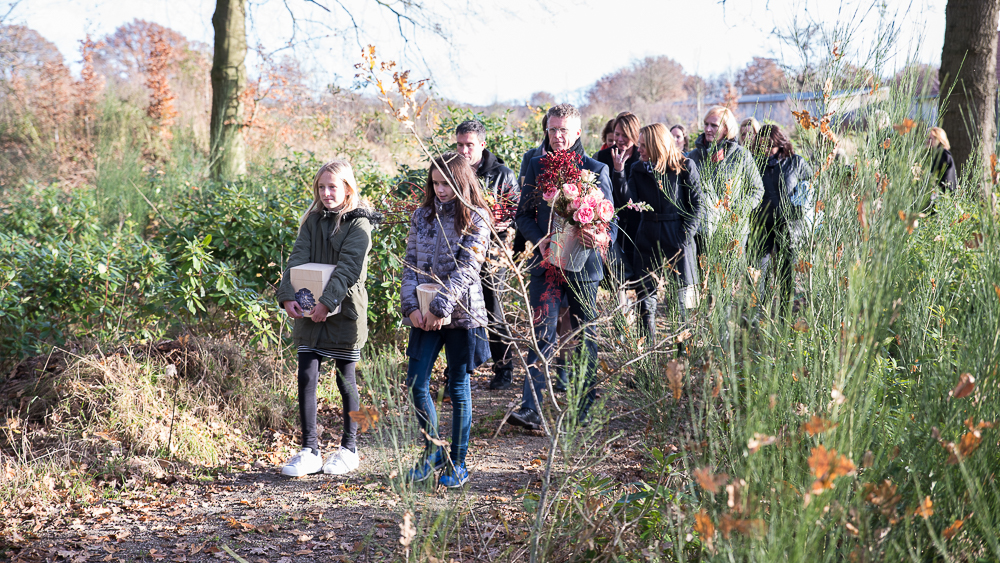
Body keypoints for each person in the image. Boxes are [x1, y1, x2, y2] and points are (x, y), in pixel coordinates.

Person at [509, 103, 617, 431]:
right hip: (546, 264)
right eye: (553, 129)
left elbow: (611, 222)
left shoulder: (596, 168)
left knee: (585, 335)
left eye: (564, 130)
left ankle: (585, 409)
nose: (558, 136)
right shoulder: (535, 163)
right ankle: (531, 409)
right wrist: (538, 240)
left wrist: (596, 232)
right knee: (542, 332)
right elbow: (523, 214)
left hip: (584, 267)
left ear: (577, 133)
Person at [276, 160, 382, 477]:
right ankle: (310, 450)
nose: (326, 193)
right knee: (307, 375)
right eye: (321, 187)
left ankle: (349, 448)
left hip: (345, 312)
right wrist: (287, 295)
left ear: (348, 188)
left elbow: (349, 269)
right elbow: (297, 258)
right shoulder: (311, 220)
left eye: (332, 186)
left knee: (346, 380)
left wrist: (327, 301)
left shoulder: (359, 224)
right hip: (310, 308)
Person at [401, 152, 492, 487]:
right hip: (422, 315)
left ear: (461, 182)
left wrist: (441, 308)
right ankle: (433, 450)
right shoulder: (421, 216)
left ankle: (459, 460)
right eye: (435, 183)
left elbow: (468, 269)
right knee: (416, 382)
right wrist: (412, 307)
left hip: (461, 314)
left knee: (458, 387)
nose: (440, 189)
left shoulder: (477, 218)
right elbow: (410, 263)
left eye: (447, 183)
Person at [454, 120, 520, 390]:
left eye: (469, 145)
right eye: (459, 144)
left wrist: (503, 224)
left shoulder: (503, 174)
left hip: (494, 249)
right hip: (460, 246)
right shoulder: (451, 171)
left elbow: (517, 213)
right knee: (459, 307)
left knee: (492, 306)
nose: (464, 150)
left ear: (482, 144)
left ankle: (504, 368)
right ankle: (460, 370)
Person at [629, 124, 702, 338]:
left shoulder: (686, 166)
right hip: (647, 234)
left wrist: (683, 237)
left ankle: (683, 352)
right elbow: (631, 202)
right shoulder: (637, 168)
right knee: (645, 299)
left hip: (677, 233)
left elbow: (697, 206)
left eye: (643, 145)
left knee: (682, 299)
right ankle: (647, 354)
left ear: (656, 145)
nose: (638, 149)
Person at [748, 124, 813, 313]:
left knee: (787, 274)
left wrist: (801, 206)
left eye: (770, 146)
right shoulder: (754, 163)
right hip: (760, 225)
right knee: (760, 273)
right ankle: (761, 314)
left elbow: (812, 186)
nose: (766, 150)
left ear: (780, 143)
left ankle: (785, 316)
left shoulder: (795, 163)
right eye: (762, 146)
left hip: (789, 225)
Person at [688, 106, 764, 255]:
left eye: (714, 125)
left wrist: (737, 211)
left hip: (732, 232)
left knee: (729, 277)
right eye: (706, 124)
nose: (708, 129)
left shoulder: (741, 155)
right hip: (701, 232)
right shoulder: (694, 156)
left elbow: (757, 190)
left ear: (726, 128)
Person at [595, 112, 643, 285]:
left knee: (638, 275)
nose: (620, 139)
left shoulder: (642, 156)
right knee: (615, 276)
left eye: (625, 135)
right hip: (611, 220)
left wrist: (619, 171)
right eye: (617, 134)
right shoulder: (602, 157)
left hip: (637, 222)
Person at [927, 127, 957, 193]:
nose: (927, 141)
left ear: (939, 139)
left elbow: (947, 179)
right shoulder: (933, 154)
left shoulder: (943, 155)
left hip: (942, 195)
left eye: (930, 138)